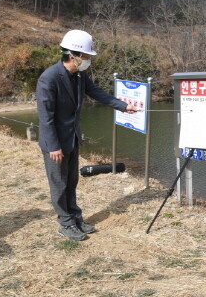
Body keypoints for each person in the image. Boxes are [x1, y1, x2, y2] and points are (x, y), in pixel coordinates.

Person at [36, 29, 137, 241]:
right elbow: (46, 118)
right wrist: (53, 146)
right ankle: (65, 223)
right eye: (86, 56)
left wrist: (122, 106)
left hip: (72, 138)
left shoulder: (80, 75)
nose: (88, 60)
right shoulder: (49, 78)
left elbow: (96, 92)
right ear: (72, 55)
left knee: (71, 181)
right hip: (55, 142)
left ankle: (75, 216)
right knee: (59, 184)